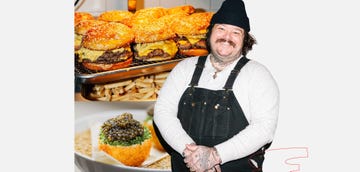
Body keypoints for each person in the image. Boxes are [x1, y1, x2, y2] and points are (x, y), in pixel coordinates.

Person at [153, 0, 280, 171]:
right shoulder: (184, 68)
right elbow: (162, 111)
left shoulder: (258, 75)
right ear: (210, 32)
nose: (227, 37)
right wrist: (192, 153)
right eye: (221, 28)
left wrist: (215, 155)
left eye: (236, 32)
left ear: (245, 40)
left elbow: (264, 128)